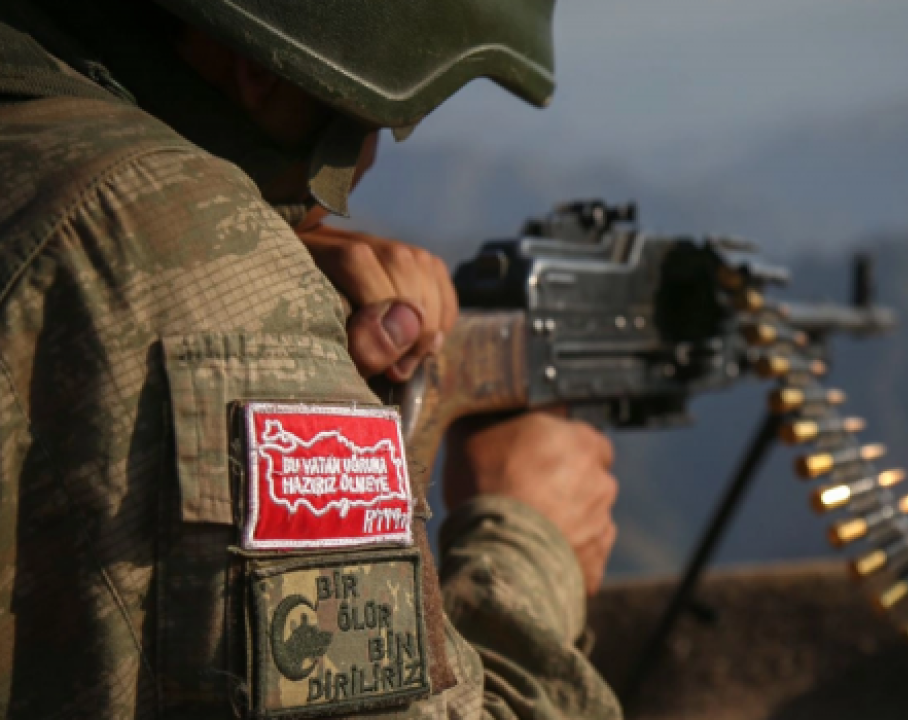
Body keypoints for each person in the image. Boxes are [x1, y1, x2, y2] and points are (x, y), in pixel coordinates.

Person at [0, 0, 622, 717]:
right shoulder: (169, 249)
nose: (368, 164)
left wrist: (260, 244)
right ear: (265, 74)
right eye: (375, 126)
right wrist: (530, 542)